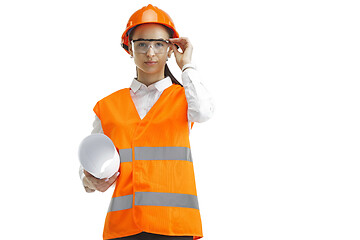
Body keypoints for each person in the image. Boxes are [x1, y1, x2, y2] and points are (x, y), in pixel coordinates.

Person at [79, 4, 214, 240]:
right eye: (141, 44)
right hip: (124, 227)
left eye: (159, 44)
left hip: (175, 226)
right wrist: (89, 180)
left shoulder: (185, 97)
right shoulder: (108, 106)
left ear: (172, 48)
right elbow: (92, 161)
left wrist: (187, 66)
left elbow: (204, 112)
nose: (150, 53)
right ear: (129, 49)